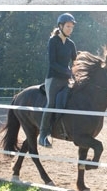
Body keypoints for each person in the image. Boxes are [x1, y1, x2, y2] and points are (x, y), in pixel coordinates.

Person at [38, 13, 78, 148]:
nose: (70, 29)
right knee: (51, 104)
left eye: (72, 27)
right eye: (68, 26)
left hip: (66, 79)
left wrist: (77, 72)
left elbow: (75, 61)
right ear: (60, 26)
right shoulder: (53, 41)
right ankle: (43, 135)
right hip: (53, 78)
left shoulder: (71, 44)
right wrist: (68, 71)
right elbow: (52, 63)